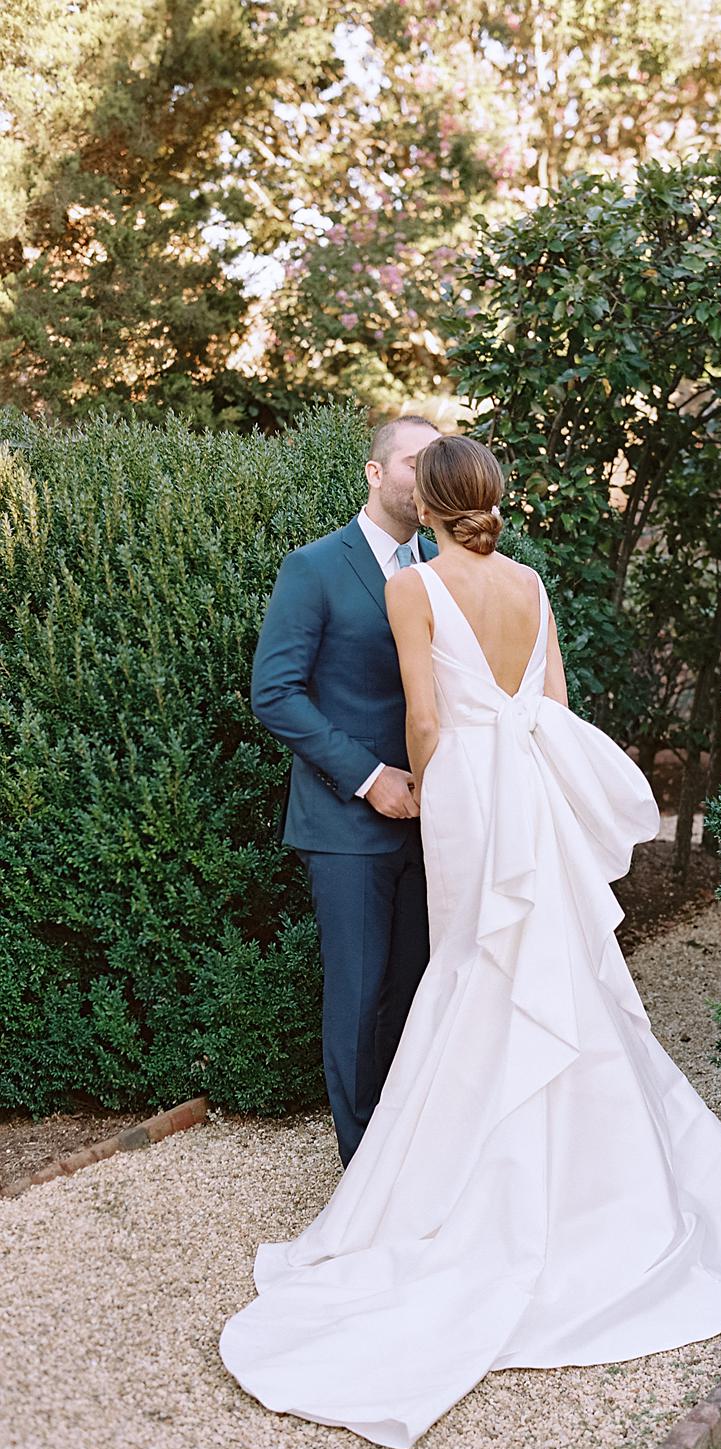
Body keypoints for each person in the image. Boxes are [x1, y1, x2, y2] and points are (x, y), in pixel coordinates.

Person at [221, 434, 721, 1449]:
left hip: (464, 802)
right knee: (546, 974)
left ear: (429, 499)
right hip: (522, 792)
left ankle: (439, 1194)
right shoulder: (528, 580)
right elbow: (556, 710)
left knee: (474, 974)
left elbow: (430, 725)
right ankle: (576, 1194)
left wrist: (444, 793)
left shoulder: (415, 587)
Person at [249, 413, 440, 1169]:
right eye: (414, 462)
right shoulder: (315, 567)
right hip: (347, 826)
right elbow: (275, 692)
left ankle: (413, 1159)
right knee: (359, 1004)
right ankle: (362, 1175)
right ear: (374, 472)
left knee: (423, 997)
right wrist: (369, 778)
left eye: (438, 464)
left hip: (437, 823)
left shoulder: (441, 569)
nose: (426, 479)